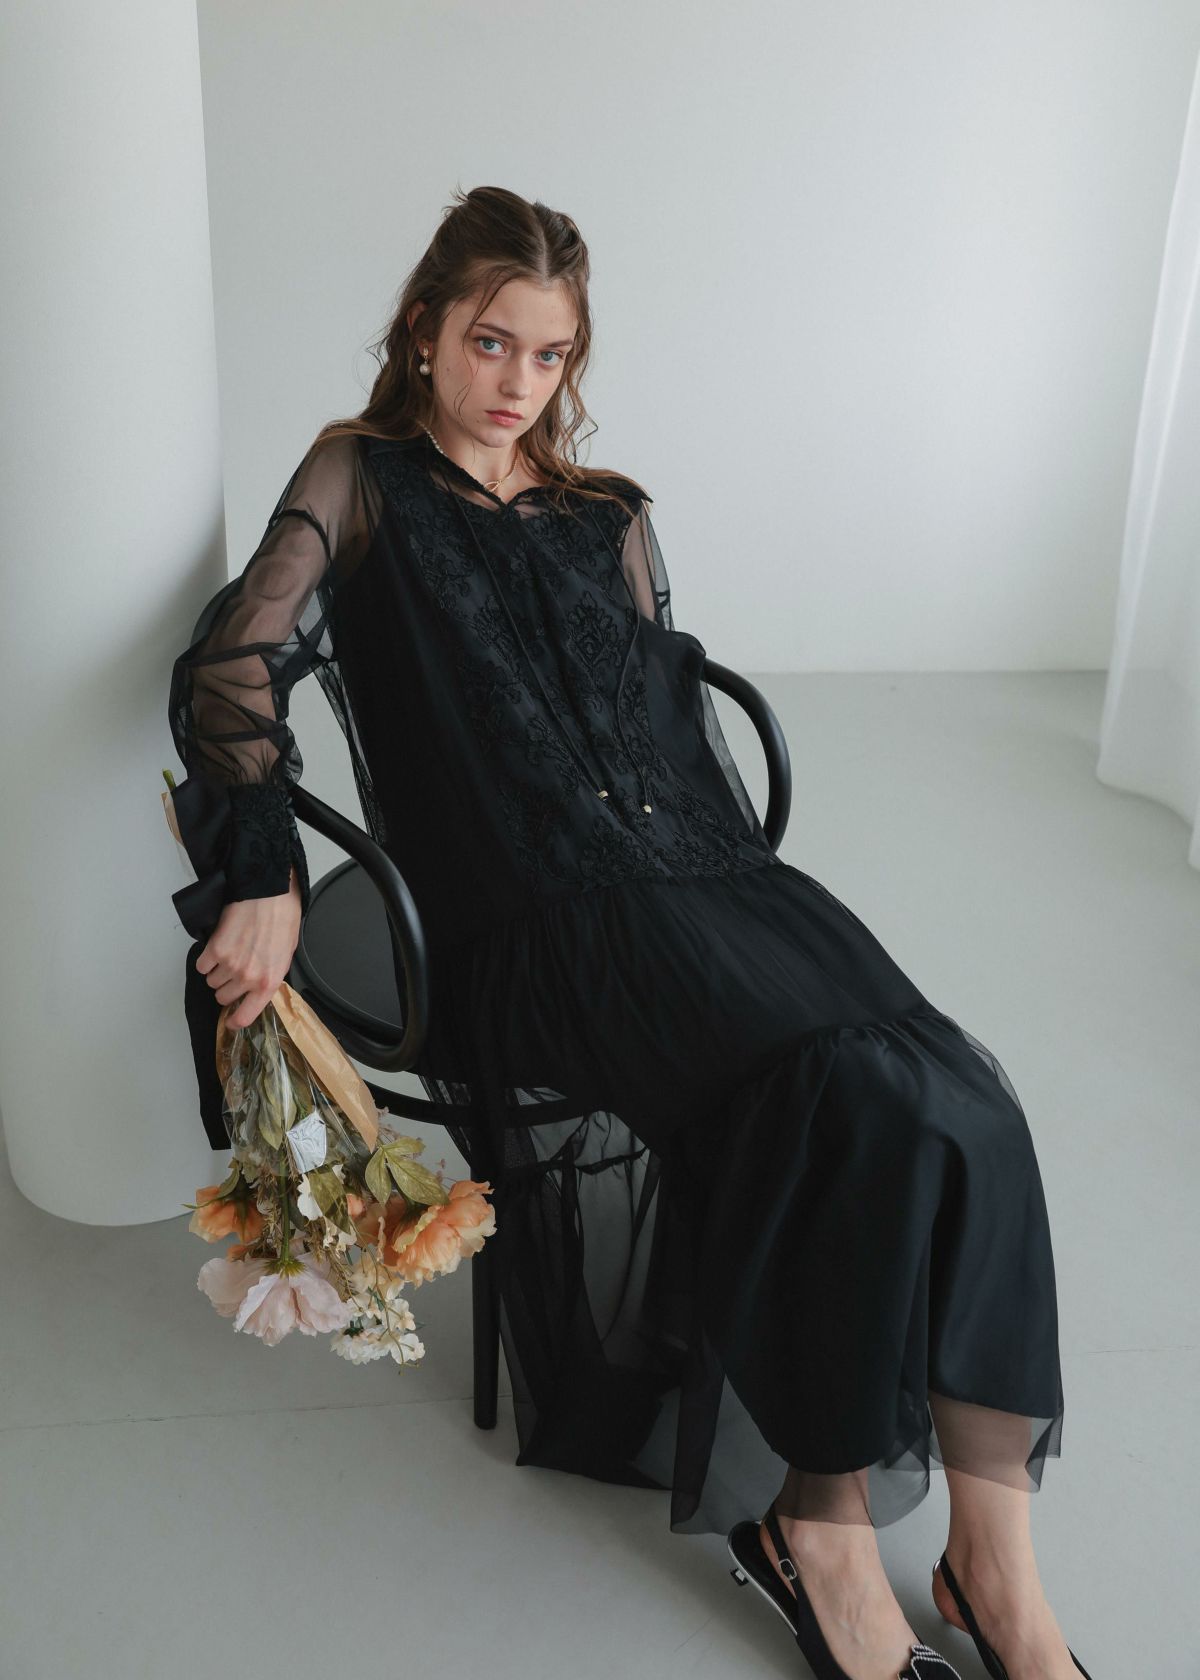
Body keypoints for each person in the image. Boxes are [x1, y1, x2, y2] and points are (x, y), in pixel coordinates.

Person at [167, 185, 1092, 1680]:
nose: (516, 383)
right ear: (424, 329)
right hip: (532, 917)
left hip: (703, 880)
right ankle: (820, 1536)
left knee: (967, 1102)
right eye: (489, 342)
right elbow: (230, 668)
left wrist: (737, 900)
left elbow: (669, 740)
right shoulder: (363, 476)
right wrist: (262, 870)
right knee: (836, 1094)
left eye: (548, 355)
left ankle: (997, 1573)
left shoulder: (609, 514)